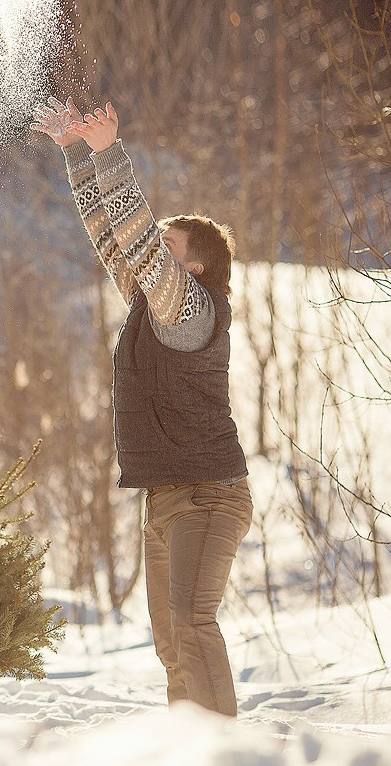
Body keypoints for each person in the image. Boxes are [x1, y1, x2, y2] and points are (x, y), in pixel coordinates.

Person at [33, 96, 253, 717]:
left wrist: (110, 153)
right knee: (170, 642)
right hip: (165, 498)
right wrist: (76, 152)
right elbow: (112, 237)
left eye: (166, 244)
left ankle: (224, 753)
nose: (150, 250)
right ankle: (188, 748)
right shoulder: (149, 303)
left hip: (209, 494)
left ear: (197, 262)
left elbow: (138, 242)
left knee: (190, 621)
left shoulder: (194, 310)